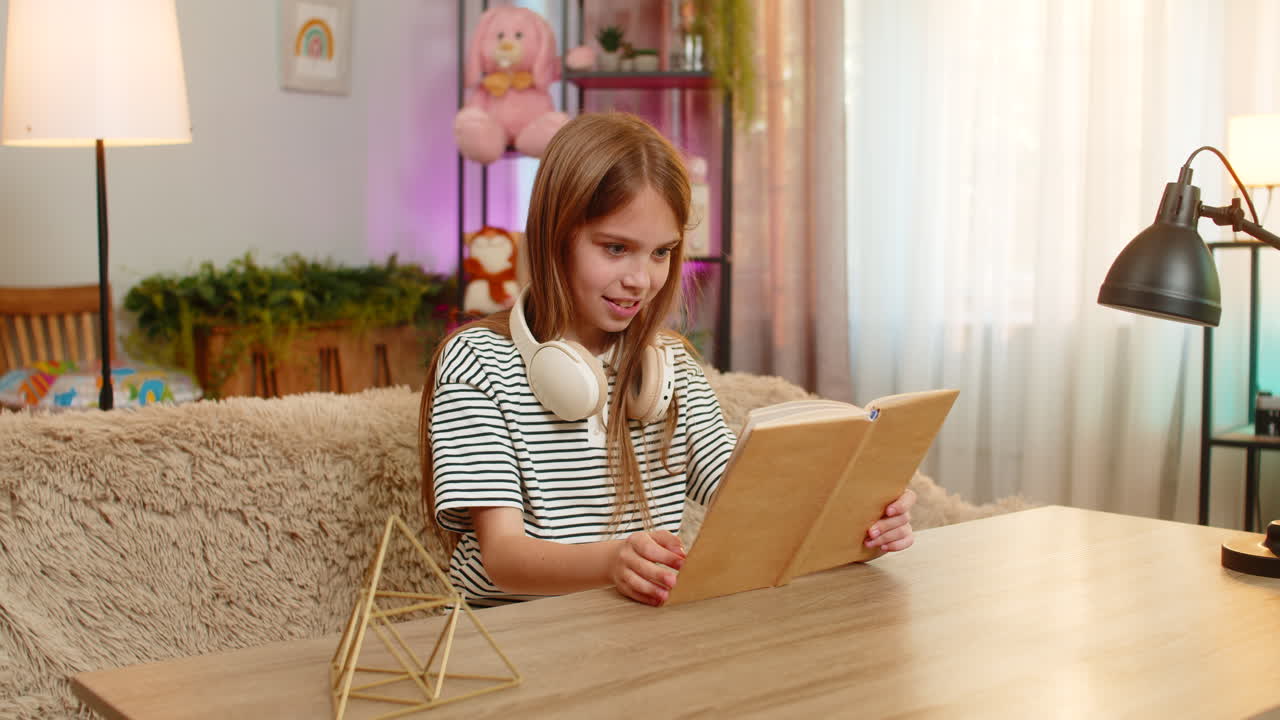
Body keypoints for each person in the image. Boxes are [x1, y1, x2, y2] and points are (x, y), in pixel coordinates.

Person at [419, 112, 916, 607]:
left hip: (632, 635)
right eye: (616, 248)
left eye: (661, 253)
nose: (642, 279)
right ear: (554, 236)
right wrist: (612, 562)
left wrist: (861, 515)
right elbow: (504, 559)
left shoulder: (667, 365)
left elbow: (750, 496)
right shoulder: (478, 361)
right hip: (506, 643)